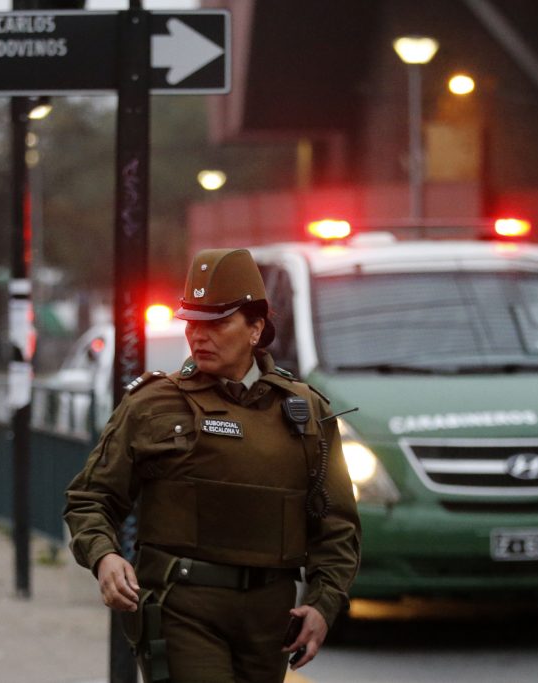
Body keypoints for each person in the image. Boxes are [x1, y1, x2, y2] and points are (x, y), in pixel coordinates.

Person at [64, 248, 361, 682]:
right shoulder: (152, 404)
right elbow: (90, 498)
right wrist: (104, 557)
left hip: (269, 622)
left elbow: (337, 526)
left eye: (217, 322)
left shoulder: (305, 412)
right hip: (182, 609)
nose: (199, 335)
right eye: (192, 322)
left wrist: (322, 603)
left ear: (255, 328)